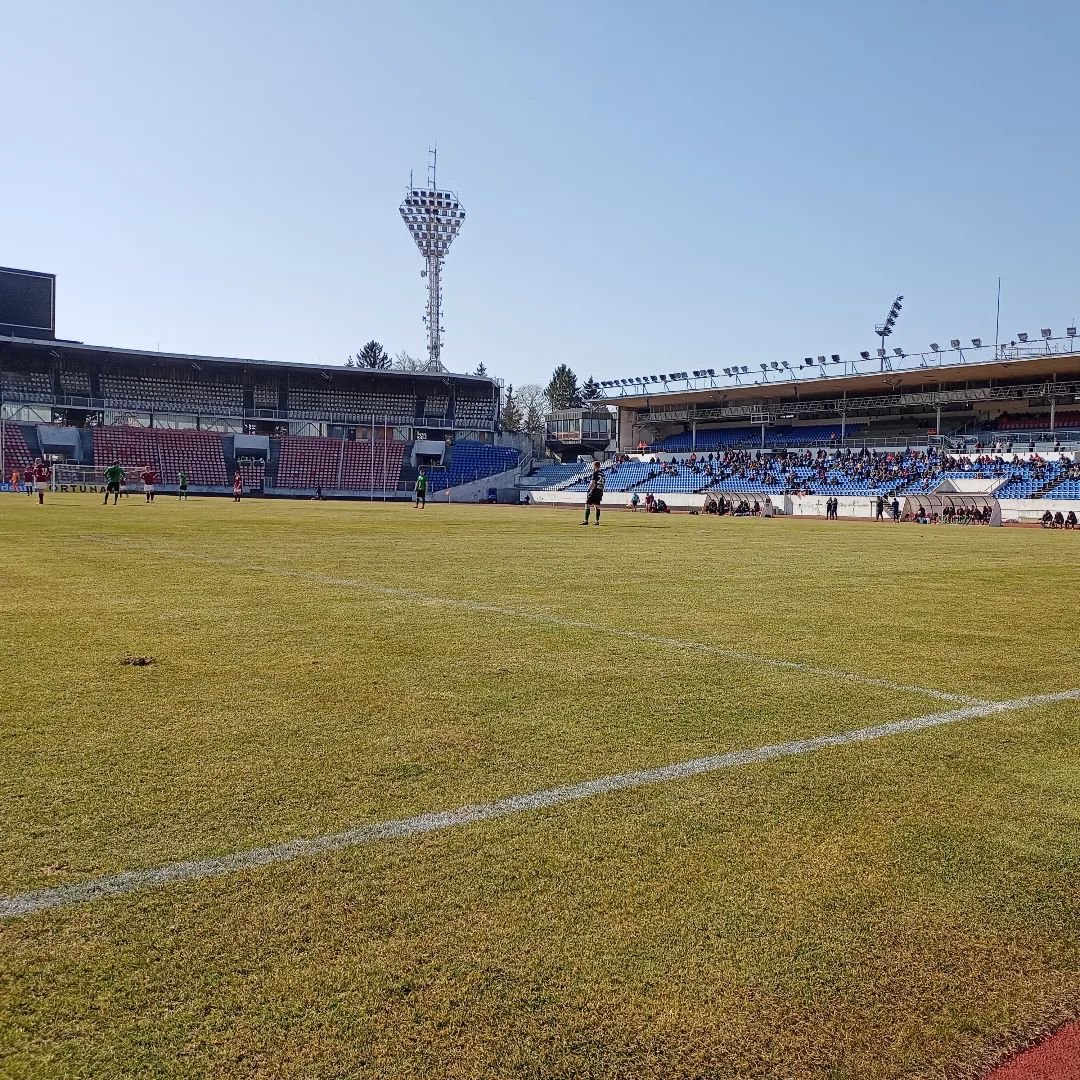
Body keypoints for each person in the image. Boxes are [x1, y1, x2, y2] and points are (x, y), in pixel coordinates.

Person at [581, 460, 604, 525]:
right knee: (597, 506)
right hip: (600, 491)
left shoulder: (595, 472)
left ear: (594, 466)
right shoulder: (602, 473)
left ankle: (586, 520)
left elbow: (592, 482)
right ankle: (597, 521)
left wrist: (589, 490)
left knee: (587, 504)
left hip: (594, 490)